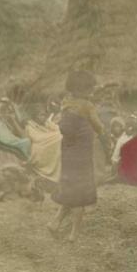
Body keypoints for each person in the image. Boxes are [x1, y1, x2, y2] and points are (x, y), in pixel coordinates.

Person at [48, 70, 108, 242]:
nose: (92, 90)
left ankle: (55, 222)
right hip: (82, 154)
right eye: (90, 88)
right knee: (80, 195)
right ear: (84, 89)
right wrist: (103, 132)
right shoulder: (87, 105)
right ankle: (74, 234)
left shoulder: (66, 102)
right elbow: (97, 125)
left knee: (71, 191)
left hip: (68, 153)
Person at [25, 105, 62, 183]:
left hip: (47, 143)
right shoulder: (30, 126)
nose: (43, 117)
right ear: (34, 116)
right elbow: (37, 138)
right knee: (58, 138)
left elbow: (58, 129)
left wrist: (52, 135)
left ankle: (56, 171)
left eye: (44, 115)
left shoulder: (46, 123)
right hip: (38, 146)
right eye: (41, 115)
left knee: (59, 138)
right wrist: (52, 136)